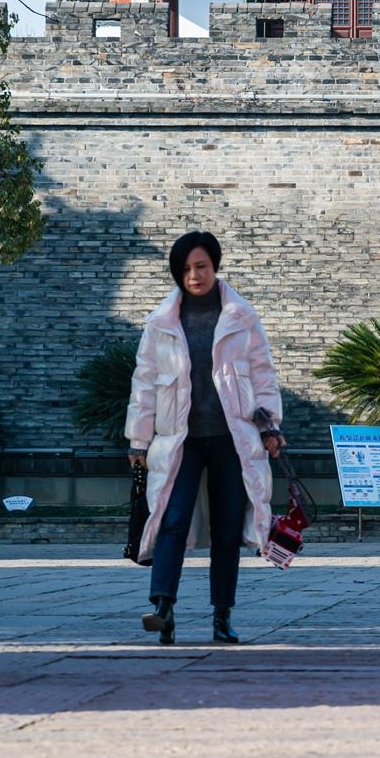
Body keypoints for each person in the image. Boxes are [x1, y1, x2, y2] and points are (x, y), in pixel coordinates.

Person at [127, 231, 285, 645]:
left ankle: (222, 616)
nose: (193, 276)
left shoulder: (241, 317)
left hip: (232, 439)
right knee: (171, 517)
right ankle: (163, 606)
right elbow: (144, 383)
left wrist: (270, 427)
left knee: (228, 528)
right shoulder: (161, 322)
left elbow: (263, 373)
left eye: (200, 267)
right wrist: (138, 441)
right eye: (185, 269)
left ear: (214, 266)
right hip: (180, 439)